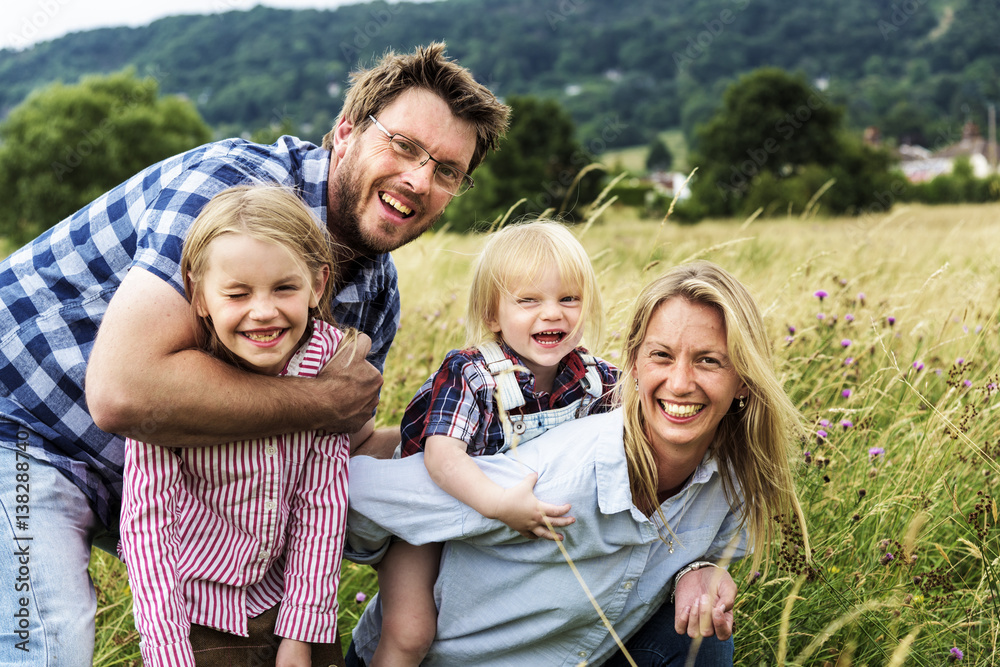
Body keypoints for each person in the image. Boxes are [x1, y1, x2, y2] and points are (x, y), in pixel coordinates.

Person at [0, 43, 509, 666]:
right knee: (45, 645)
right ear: (345, 132)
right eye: (403, 146)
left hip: (151, 485)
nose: (419, 180)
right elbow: (122, 392)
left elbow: (323, 447)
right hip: (27, 433)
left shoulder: (374, 296)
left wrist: (471, 447)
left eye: (447, 170)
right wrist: (321, 403)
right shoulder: (233, 193)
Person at [344, 260, 809, 666]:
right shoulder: (548, 476)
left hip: (582, 654)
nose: (680, 382)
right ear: (635, 364)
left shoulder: (734, 478)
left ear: (745, 381)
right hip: (431, 659)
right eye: (661, 356)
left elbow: (708, 547)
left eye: (709, 361)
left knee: (700, 633)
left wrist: (700, 570)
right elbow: (357, 496)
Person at [120, 185, 369, 666]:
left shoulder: (327, 364)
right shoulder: (174, 383)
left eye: (285, 288)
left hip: (290, 601)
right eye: (236, 293)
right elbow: (147, 526)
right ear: (199, 296)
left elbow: (321, 504)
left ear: (318, 285)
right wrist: (169, 652)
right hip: (195, 615)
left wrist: (301, 631)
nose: (263, 311)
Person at [373, 220, 619, 666]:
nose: (552, 313)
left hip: (507, 525)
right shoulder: (472, 373)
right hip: (429, 514)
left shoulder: (597, 378)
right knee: (411, 631)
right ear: (492, 315)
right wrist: (498, 504)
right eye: (528, 300)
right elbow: (442, 457)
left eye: (569, 299)